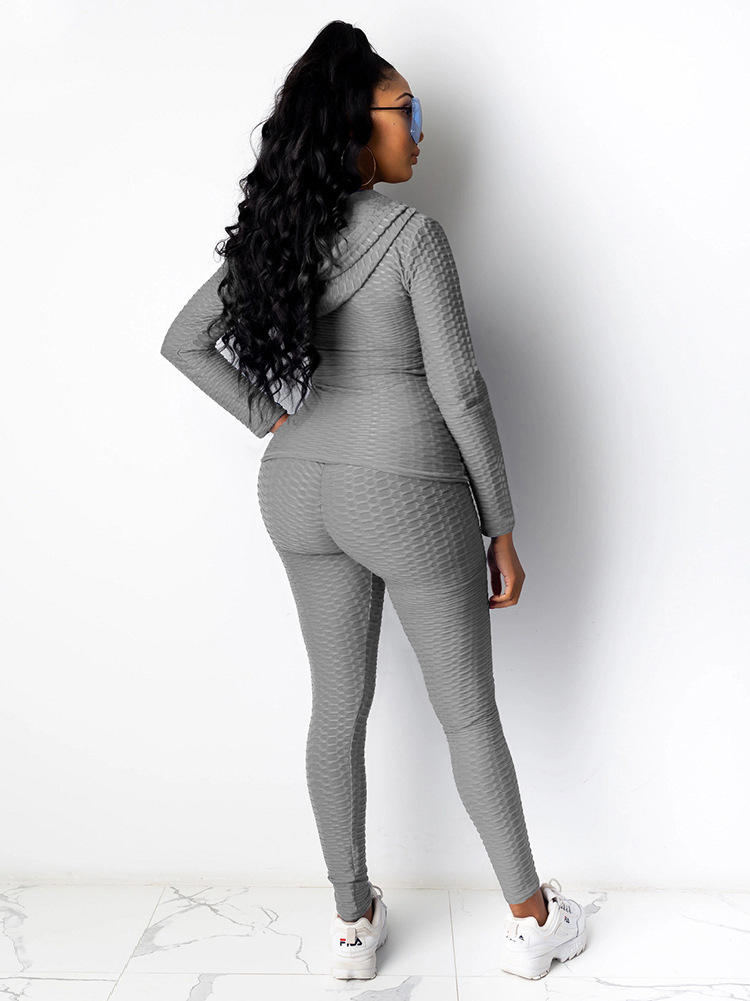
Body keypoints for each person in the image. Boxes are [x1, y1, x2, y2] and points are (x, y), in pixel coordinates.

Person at [159, 19, 587, 983]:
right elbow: (459, 390)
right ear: (359, 120)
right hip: (407, 490)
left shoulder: (281, 235)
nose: (420, 132)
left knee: (336, 707)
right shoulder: (412, 236)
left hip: (298, 487)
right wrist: (501, 523)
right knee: (467, 713)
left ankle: (352, 925)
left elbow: (183, 340)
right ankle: (531, 920)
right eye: (407, 111)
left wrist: (273, 419)